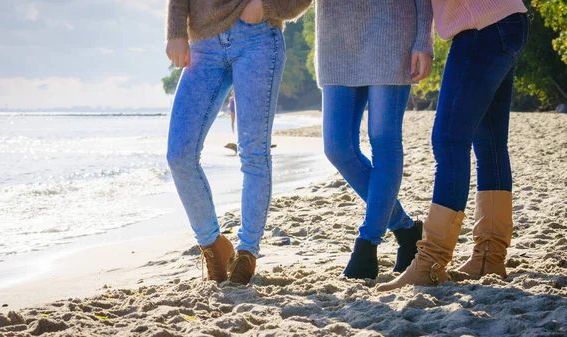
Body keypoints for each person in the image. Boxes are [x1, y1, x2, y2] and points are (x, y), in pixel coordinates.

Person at [378, 0, 529, 291]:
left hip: (481, 27)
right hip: (507, 20)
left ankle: (430, 263)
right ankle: (489, 257)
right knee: (491, 146)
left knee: (449, 141)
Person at [165, 0, 312, 285]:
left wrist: (266, 5)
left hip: (257, 37)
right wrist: (175, 31)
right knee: (179, 154)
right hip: (203, 42)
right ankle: (213, 244)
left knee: (254, 152)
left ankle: (247, 252)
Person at [315, 1, 434, 279]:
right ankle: (406, 231)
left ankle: (367, 243)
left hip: (391, 30)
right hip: (336, 39)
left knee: (383, 139)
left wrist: (423, 41)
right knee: (337, 148)